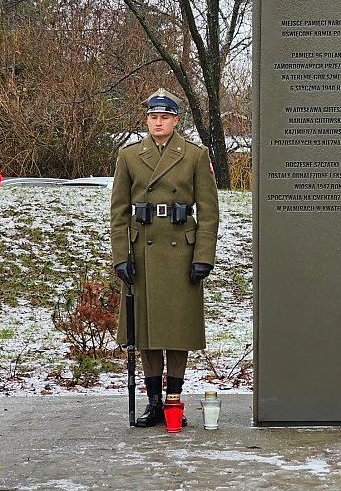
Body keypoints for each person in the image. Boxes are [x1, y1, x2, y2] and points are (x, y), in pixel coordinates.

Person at [111, 88, 219, 427]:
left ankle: (174, 399)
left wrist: (203, 255)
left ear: (175, 120)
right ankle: (154, 402)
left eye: (165, 117)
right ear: (147, 120)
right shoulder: (129, 156)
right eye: (153, 117)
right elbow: (117, 212)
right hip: (143, 248)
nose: (159, 123)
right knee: (145, 331)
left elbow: (209, 211)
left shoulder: (194, 155)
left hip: (180, 251)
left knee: (176, 329)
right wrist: (120, 255)